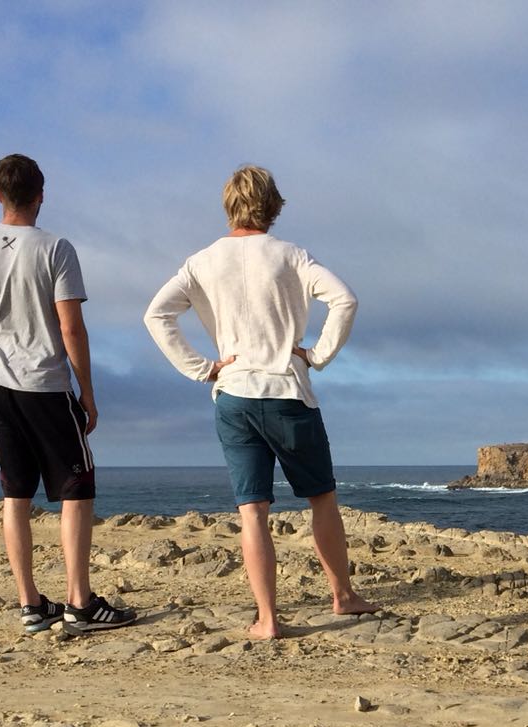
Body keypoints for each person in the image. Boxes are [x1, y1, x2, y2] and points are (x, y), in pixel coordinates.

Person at [143, 164, 377, 640]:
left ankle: (268, 619)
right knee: (322, 500)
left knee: (253, 511)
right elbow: (345, 299)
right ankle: (343, 595)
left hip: (233, 395)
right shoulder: (291, 256)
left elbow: (157, 314)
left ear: (228, 205)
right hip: (286, 391)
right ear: (272, 206)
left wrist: (203, 367)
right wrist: (317, 355)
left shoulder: (203, 261)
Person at [0, 153, 135, 633]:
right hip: (46, 384)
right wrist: (88, 392)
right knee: (77, 490)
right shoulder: (56, 249)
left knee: (16, 493)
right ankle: (79, 602)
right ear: (41, 195)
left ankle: (31, 604)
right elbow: (71, 328)